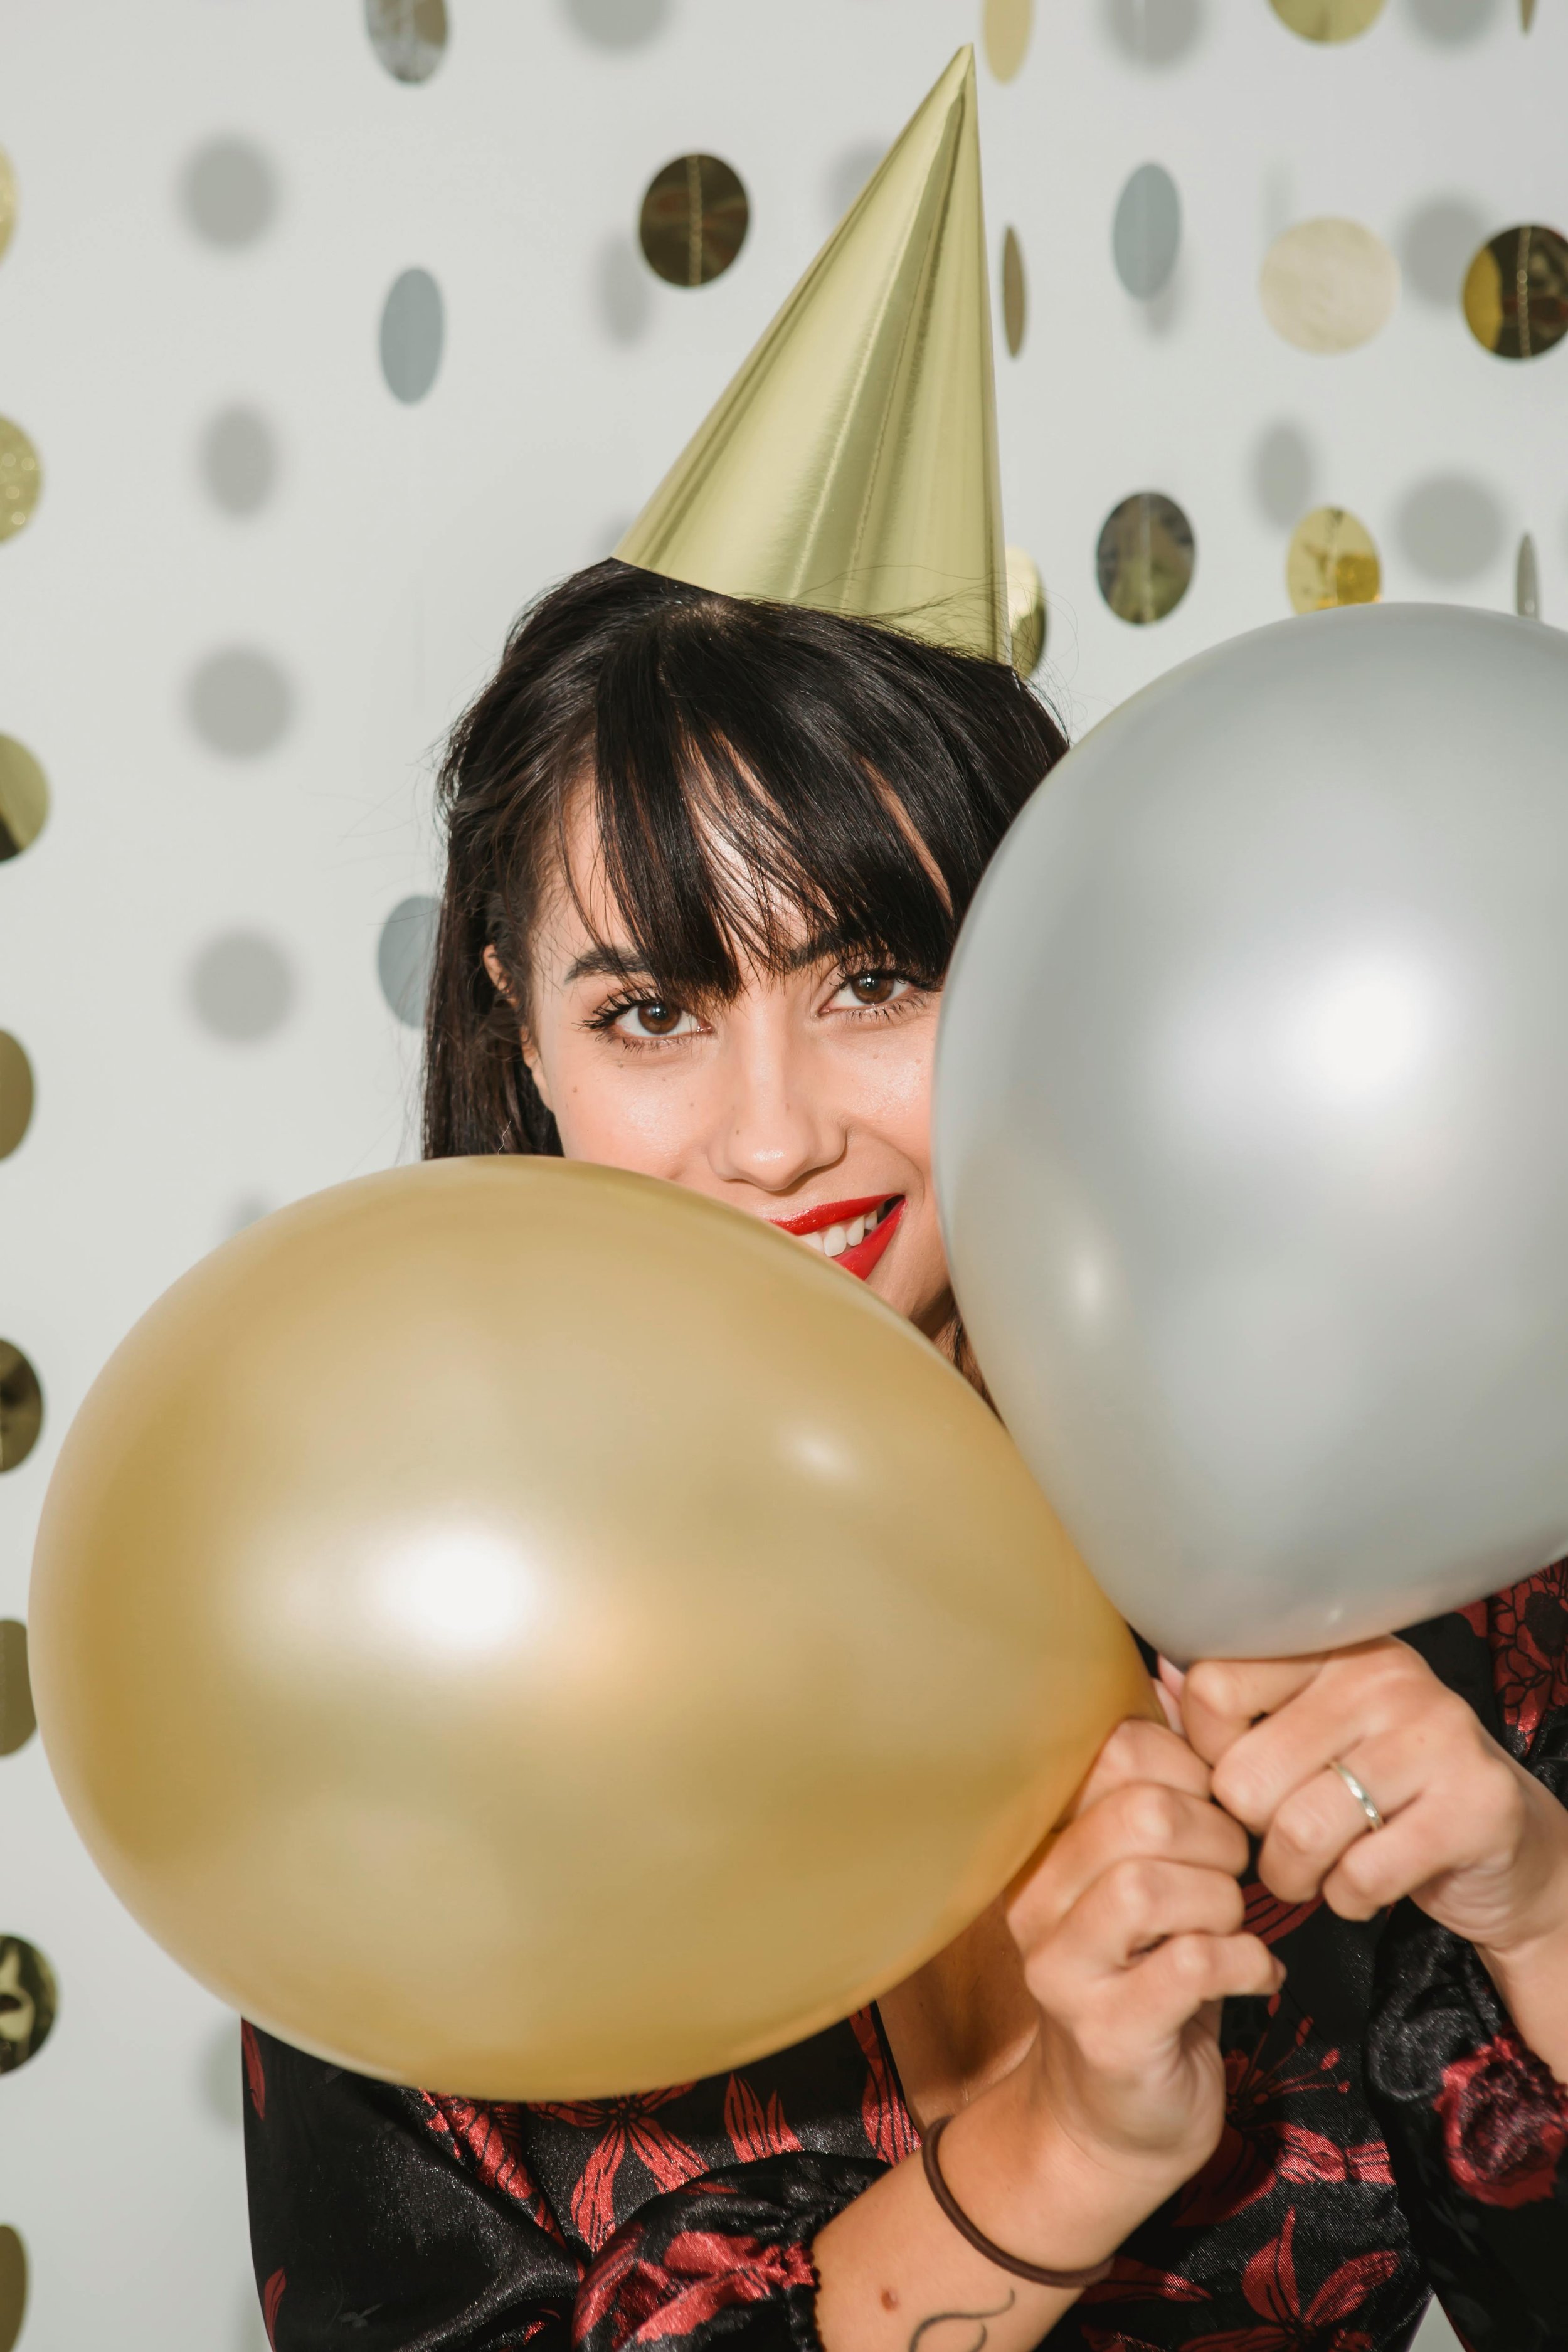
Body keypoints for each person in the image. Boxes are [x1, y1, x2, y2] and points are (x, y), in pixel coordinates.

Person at [243, 55, 1568, 2352]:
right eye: (652, 1010)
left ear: (1059, 962)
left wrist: (1539, 1904)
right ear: (519, 1039)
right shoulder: (399, 1623)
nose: (775, 1139)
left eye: (874, 980)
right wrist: (1058, 2153)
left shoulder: (1363, 1549)